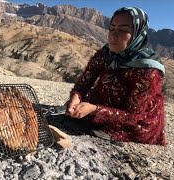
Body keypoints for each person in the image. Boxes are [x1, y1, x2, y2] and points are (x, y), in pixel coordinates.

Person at [66, 7, 166, 145]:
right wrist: (76, 97)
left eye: (124, 30)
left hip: (134, 124)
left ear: (138, 33)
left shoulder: (149, 70)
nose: (114, 35)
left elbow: (133, 116)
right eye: (112, 28)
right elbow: (84, 83)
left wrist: (94, 109)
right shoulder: (107, 53)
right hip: (100, 107)